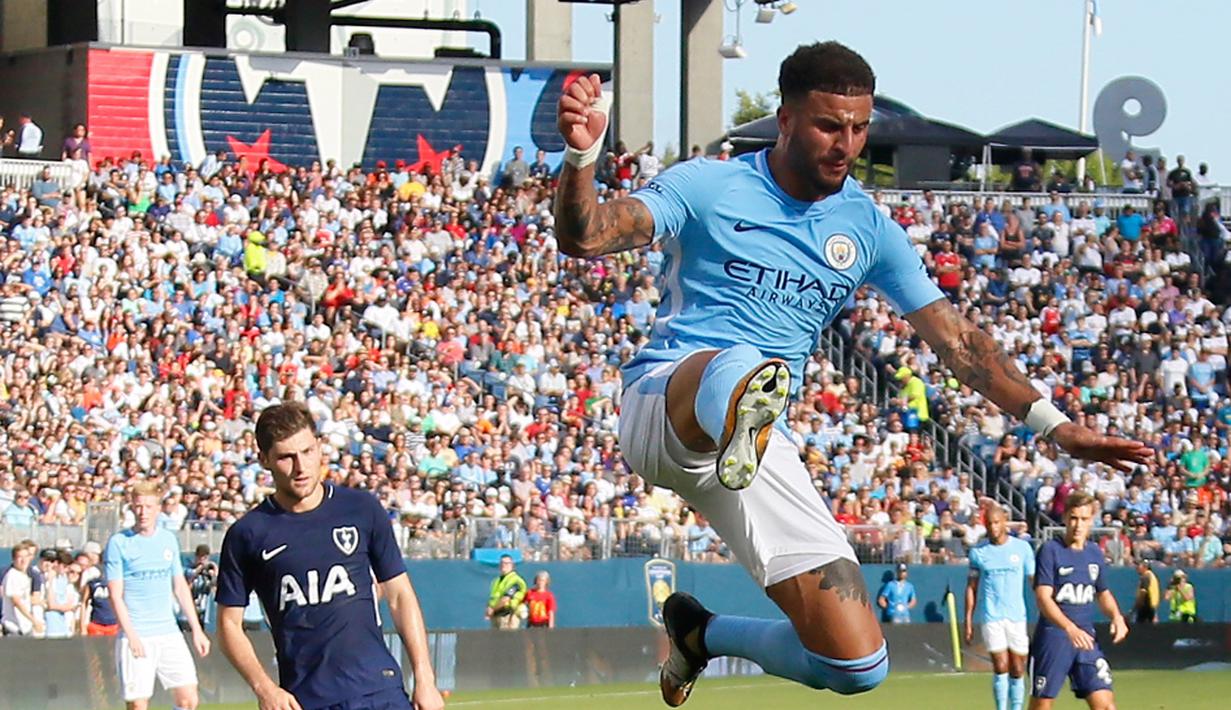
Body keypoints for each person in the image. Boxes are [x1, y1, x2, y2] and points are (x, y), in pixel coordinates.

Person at [553, 40, 1150, 706]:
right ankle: (740, 404)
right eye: (828, 125)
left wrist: (1057, 428)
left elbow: (960, 345)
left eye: (859, 128)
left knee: (855, 664)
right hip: (668, 404)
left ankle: (700, 635)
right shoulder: (708, 184)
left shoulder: (865, 226)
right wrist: (582, 155)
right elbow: (588, 234)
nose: (846, 144)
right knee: (741, 365)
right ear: (784, 120)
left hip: (754, 443)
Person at [215, 402, 444, 710]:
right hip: (307, 699)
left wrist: (425, 678)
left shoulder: (361, 508)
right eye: (286, 457)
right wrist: (265, 688)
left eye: (308, 452)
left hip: (380, 691)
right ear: (264, 460)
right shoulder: (248, 534)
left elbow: (400, 595)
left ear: (320, 447)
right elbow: (229, 624)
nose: (301, 467)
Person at [106, 481, 212, 710]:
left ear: (158, 508)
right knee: (138, 705)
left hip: (168, 632)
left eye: (148, 506)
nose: (143, 512)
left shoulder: (167, 540)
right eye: (138, 506)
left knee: (188, 698)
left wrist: (196, 629)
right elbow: (115, 595)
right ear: (132, 508)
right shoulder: (119, 543)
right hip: (137, 632)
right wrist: (131, 634)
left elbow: (180, 587)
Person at [1028, 492, 1129, 710]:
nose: (1078, 525)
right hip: (1054, 637)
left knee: (1106, 706)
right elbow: (1043, 598)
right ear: (1064, 518)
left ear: (1092, 520)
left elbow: (1102, 593)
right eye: (1073, 518)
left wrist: (1116, 617)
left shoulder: (1094, 553)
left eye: (1084, 519)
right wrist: (1068, 628)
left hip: (1086, 638)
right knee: (1041, 706)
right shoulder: (1050, 551)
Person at [966, 506, 1035, 710]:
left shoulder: (1022, 549)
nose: (993, 527)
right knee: (1000, 665)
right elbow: (972, 588)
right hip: (992, 616)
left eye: (997, 522)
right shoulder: (979, 552)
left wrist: (1046, 607)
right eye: (989, 523)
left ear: (1004, 522)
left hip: (1017, 617)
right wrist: (968, 620)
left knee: (1017, 668)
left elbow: (1034, 581)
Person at [1, 540, 41, 636]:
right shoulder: (12, 575)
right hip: (14, 627)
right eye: (19, 557)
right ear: (14, 559)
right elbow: (16, 601)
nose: (23, 560)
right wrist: (34, 620)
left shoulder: (25, 576)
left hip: (25, 627)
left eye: (26, 557)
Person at [485, 554, 527, 630]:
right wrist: (489, 608)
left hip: (508, 617)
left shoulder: (516, 580)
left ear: (512, 565)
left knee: (507, 640)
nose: (503, 565)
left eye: (506, 563)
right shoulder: (496, 581)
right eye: (501, 563)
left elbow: (506, 599)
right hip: (496, 616)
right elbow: (493, 598)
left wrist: (492, 609)